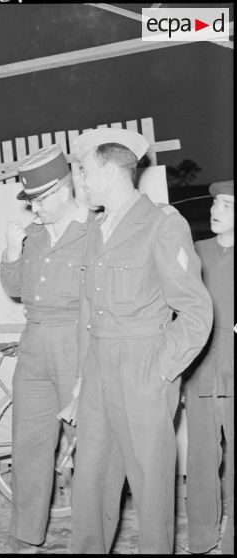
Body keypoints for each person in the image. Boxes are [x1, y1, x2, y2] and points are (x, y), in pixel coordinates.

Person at [70, 128, 213, 554]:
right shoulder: (97, 227)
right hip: (98, 369)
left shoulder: (161, 223)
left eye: (85, 171)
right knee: (89, 484)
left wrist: (161, 371)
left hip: (143, 366)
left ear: (111, 172)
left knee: (151, 491)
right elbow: (88, 311)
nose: (82, 180)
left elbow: (196, 310)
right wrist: (81, 378)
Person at [0, 144, 90, 552]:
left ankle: (90, 539)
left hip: (76, 343)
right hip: (33, 345)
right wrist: (11, 251)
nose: (33, 209)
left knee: (88, 446)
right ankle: (25, 537)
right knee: (29, 447)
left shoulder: (93, 230)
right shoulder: (33, 235)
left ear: (63, 191)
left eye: (38, 200)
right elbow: (15, 288)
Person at [184, 179, 234, 554]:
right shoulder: (198, 251)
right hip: (201, 365)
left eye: (227, 206)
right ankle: (202, 538)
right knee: (201, 457)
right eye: (216, 203)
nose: (216, 210)